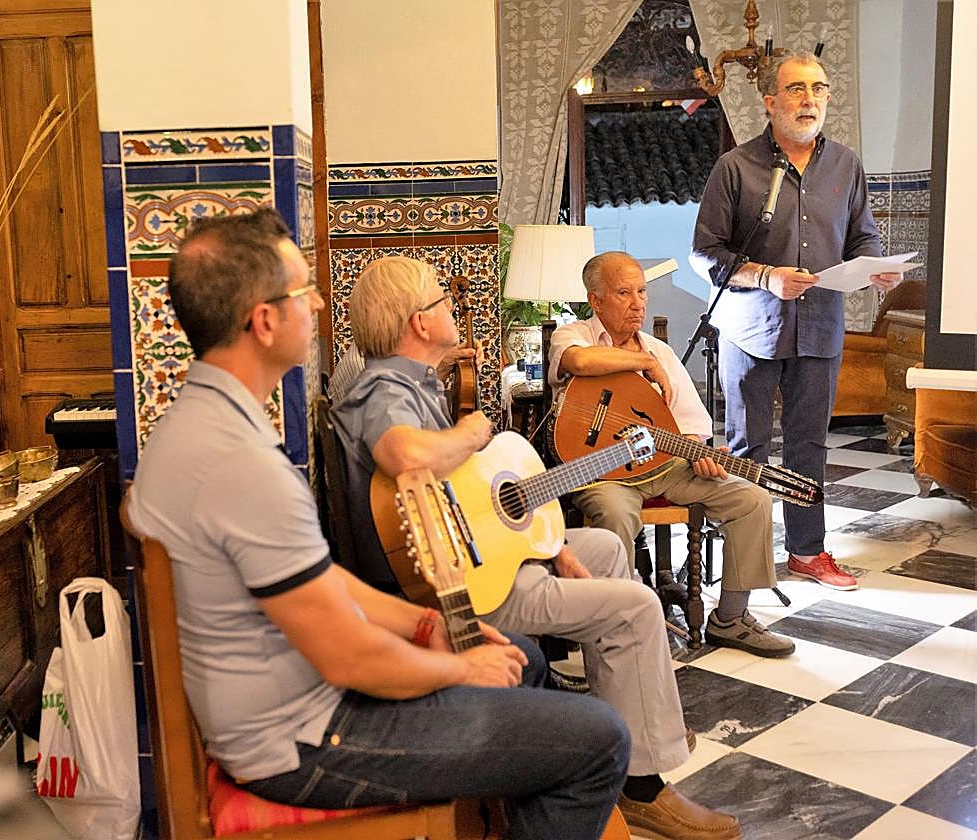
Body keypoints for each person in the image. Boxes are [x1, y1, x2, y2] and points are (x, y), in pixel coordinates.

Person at [127, 209, 632, 840]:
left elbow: (321, 581)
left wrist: (427, 626)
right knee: (601, 740)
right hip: (306, 739)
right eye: (302, 291)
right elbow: (348, 657)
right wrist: (458, 669)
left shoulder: (205, 423)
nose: (318, 303)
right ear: (263, 321)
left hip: (287, 709)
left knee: (522, 657)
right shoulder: (240, 463)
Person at [335, 255, 742, 840]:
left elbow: (463, 495)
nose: (453, 307)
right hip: (456, 584)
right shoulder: (384, 389)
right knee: (637, 607)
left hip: (467, 550)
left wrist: (546, 544)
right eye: (443, 301)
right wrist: (472, 431)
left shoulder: (409, 383)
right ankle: (642, 786)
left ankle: (630, 731)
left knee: (602, 548)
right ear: (420, 323)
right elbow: (404, 455)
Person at [691, 52, 903, 591]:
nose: (810, 99)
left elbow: (862, 236)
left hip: (820, 327)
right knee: (749, 448)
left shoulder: (846, 165)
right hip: (750, 329)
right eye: (796, 89)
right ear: (770, 102)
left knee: (809, 445)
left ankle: (807, 552)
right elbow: (705, 253)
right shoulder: (735, 167)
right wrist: (766, 277)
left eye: (819, 88)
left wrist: (875, 268)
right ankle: (746, 559)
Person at [550, 250, 795, 664]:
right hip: (602, 471)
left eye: (642, 292)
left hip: (666, 465)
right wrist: (643, 361)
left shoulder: (660, 351)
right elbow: (579, 361)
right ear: (595, 300)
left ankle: (731, 618)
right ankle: (618, 623)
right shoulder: (573, 335)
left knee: (752, 498)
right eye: (624, 293)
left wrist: (699, 452)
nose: (638, 303)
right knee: (615, 515)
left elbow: (689, 425)